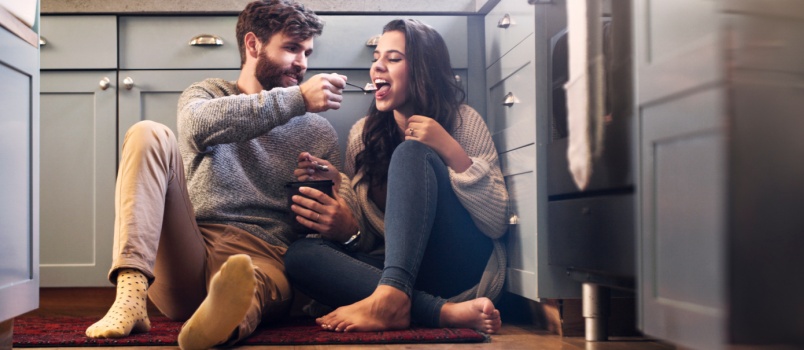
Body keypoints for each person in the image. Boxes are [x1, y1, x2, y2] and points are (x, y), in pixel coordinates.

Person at [83, 0, 354, 348]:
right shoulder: (207, 95)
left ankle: (217, 326)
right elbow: (195, 127)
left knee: (249, 284)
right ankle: (130, 295)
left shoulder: (318, 132)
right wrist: (297, 98)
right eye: (291, 48)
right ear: (253, 45)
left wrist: (329, 210)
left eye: (307, 52)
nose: (302, 63)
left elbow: (315, 240)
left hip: (265, 256)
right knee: (147, 132)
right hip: (191, 249)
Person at [283, 19, 508, 334]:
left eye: (393, 59)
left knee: (411, 153)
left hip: (462, 265)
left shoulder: (463, 121)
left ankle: (396, 298)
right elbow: (366, 241)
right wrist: (339, 186)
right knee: (300, 256)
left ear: (423, 68)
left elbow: (496, 222)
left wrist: (451, 150)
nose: (378, 68)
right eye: (376, 59)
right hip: (408, 275)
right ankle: (439, 311)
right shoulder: (364, 135)